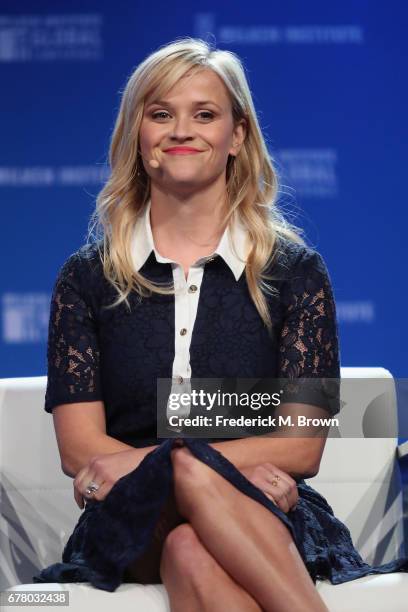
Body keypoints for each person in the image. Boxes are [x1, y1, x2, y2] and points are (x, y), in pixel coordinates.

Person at [33, 37, 408, 611]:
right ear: (138, 135)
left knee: (190, 550)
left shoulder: (296, 273)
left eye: (204, 114)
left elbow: (302, 449)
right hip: (133, 518)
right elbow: (81, 448)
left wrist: (187, 464)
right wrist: (184, 468)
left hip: (261, 506)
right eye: (161, 114)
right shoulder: (85, 280)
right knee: (180, 503)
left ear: (237, 136)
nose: (182, 130)